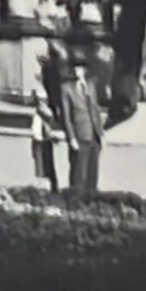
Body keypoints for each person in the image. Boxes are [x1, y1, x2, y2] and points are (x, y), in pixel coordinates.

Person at [59, 43, 105, 192]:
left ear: (85, 70)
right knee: (79, 171)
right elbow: (66, 116)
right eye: (75, 68)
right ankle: (76, 197)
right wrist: (71, 137)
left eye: (80, 68)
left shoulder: (90, 86)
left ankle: (92, 197)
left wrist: (100, 132)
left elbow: (95, 109)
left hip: (93, 134)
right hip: (79, 135)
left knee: (93, 171)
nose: (77, 71)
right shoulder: (67, 88)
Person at [31, 50, 62, 192]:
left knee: (44, 155)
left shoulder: (48, 78)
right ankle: (48, 182)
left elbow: (45, 104)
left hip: (46, 121)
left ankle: (49, 183)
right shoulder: (46, 78)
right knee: (42, 154)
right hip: (44, 121)